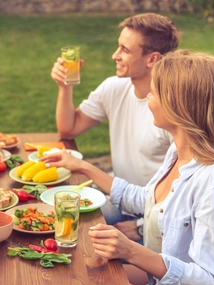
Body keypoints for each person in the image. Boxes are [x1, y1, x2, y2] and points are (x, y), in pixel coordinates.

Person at [44, 50, 214, 285]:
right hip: (154, 280)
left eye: (153, 93)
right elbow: (147, 200)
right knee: (71, 272)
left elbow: (213, 281)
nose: (147, 98)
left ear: (177, 106)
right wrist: (82, 166)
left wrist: (131, 251)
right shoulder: (177, 153)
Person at [50, 13, 179, 241]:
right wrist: (64, 86)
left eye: (125, 50)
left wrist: (139, 227)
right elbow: (69, 129)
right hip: (117, 200)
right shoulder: (114, 88)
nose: (114, 55)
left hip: (156, 220)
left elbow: (183, 194)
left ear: (152, 59)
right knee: (54, 218)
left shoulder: (172, 111)